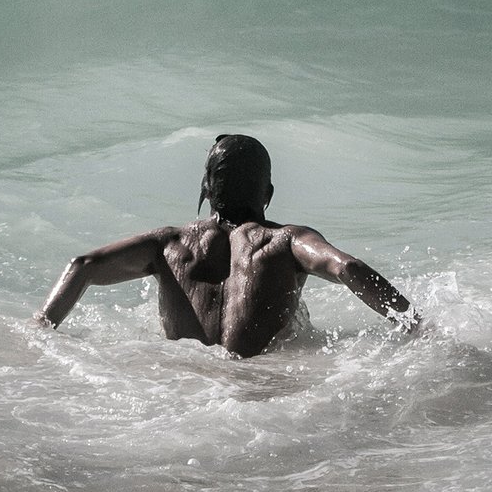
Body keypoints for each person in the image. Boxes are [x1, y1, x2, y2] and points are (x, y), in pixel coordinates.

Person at [32, 133, 419, 357]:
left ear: (205, 191)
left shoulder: (168, 244)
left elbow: (83, 265)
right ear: (267, 193)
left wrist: (41, 330)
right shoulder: (285, 241)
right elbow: (347, 269)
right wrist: (416, 324)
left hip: (185, 385)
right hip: (262, 392)